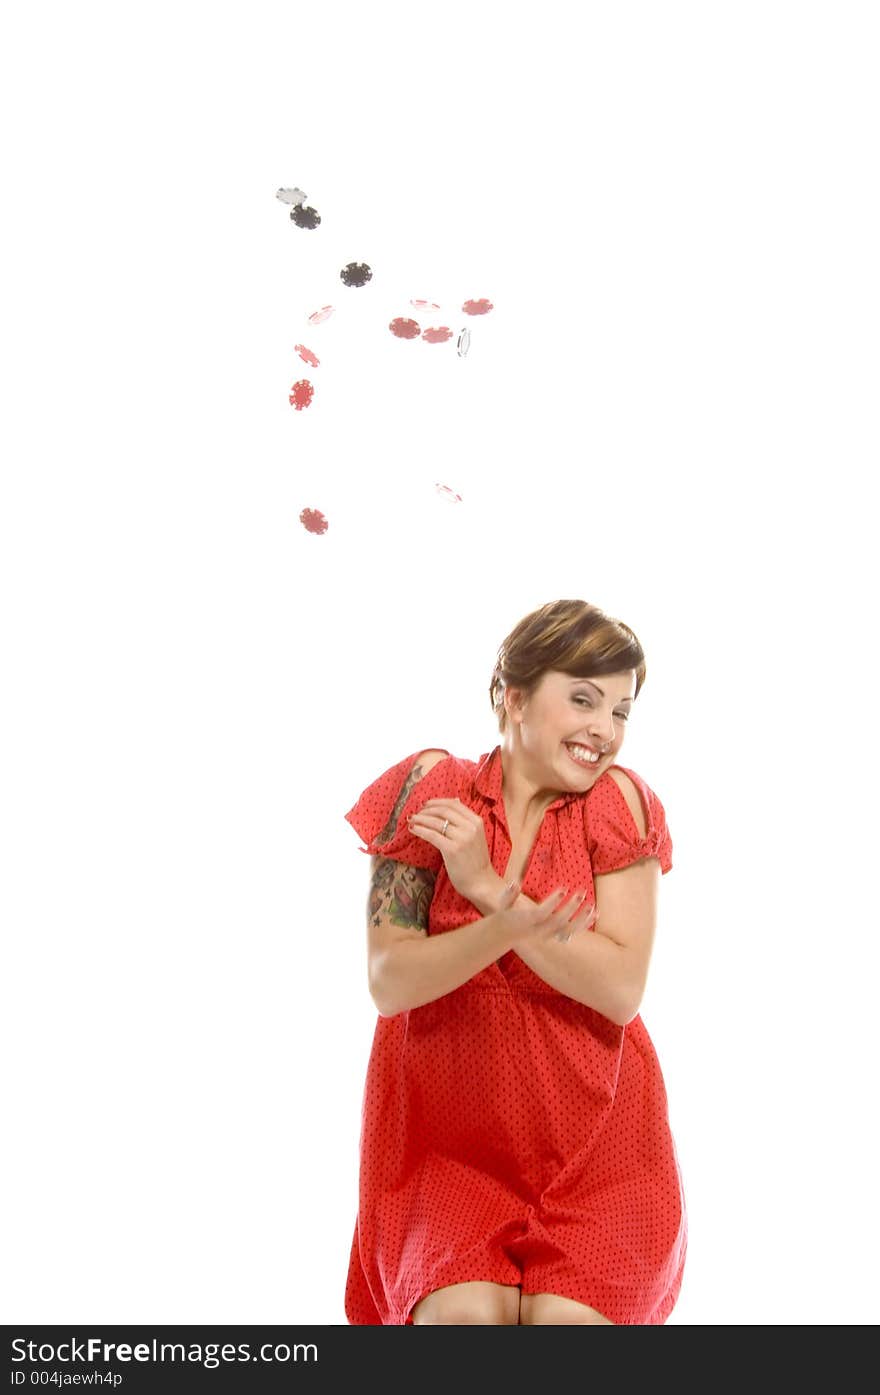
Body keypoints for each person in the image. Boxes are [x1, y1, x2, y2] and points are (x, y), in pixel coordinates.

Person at [343, 599, 687, 1325]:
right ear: (515, 694)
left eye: (622, 711)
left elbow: (621, 988)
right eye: (585, 698)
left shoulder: (618, 804)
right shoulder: (431, 787)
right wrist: (507, 924)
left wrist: (489, 889)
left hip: (599, 1150)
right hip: (448, 1152)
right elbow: (390, 980)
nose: (605, 730)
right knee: (461, 1321)